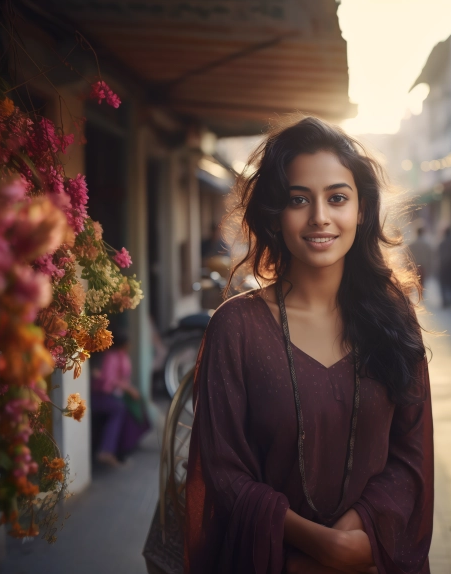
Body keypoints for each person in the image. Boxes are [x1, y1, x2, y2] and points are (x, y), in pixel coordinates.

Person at [185, 117, 433, 574]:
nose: (320, 216)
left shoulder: (395, 321)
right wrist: (316, 549)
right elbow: (223, 472)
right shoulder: (235, 328)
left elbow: (410, 455)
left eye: (337, 198)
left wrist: (356, 537)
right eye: (299, 199)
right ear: (276, 215)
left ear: (361, 210)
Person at [90, 333, 150, 467]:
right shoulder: (111, 357)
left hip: (116, 394)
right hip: (104, 395)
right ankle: (108, 450)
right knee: (120, 410)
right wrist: (128, 390)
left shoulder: (121, 356)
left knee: (135, 408)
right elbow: (109, 380)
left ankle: (121, 449)